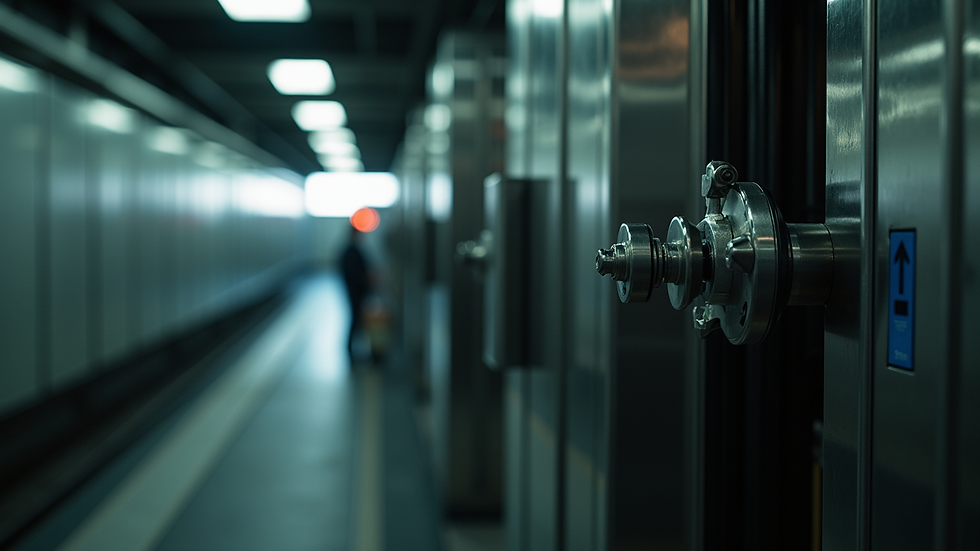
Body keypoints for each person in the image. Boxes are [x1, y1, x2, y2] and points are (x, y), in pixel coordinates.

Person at [339, 226, 372, 361]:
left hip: (356, 290)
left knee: (356, 319)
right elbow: (355, 274)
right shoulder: (350, 251)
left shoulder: (352, 250)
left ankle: (354, 349)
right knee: (355, 319)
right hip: (355, 291)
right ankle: (349, 350)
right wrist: (367, 279)